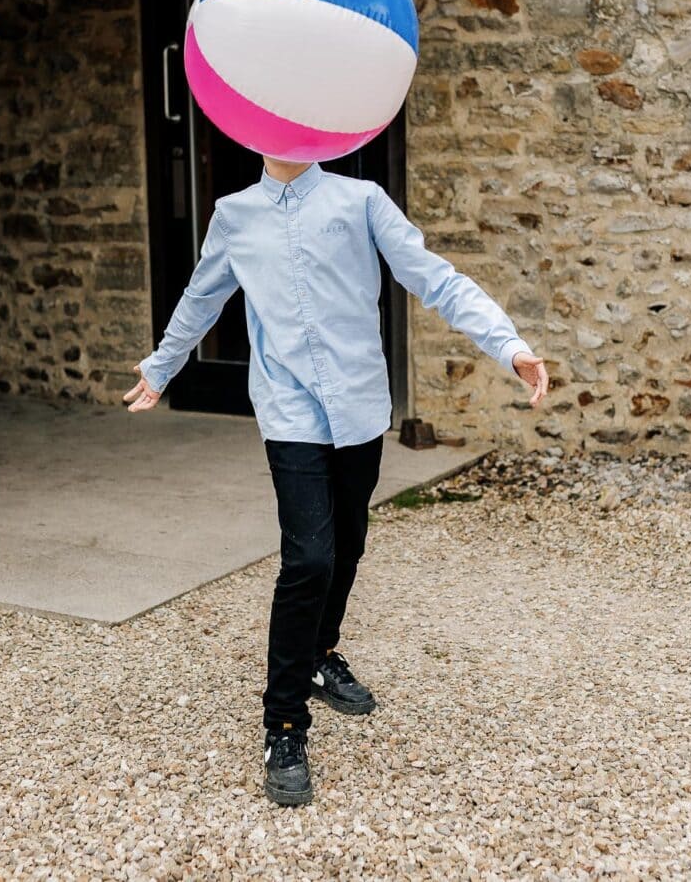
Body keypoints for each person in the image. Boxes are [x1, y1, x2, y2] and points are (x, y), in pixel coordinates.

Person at [126, 157, 547, 806]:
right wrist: (161, 368)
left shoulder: (362, 201)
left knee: (347, 542)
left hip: (358, 408)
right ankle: (284, 724)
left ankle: (321, 651)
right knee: (309, 558)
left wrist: (508, 346)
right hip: (289, 414)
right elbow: (201, 298)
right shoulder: (236, 216)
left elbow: (432, 277)